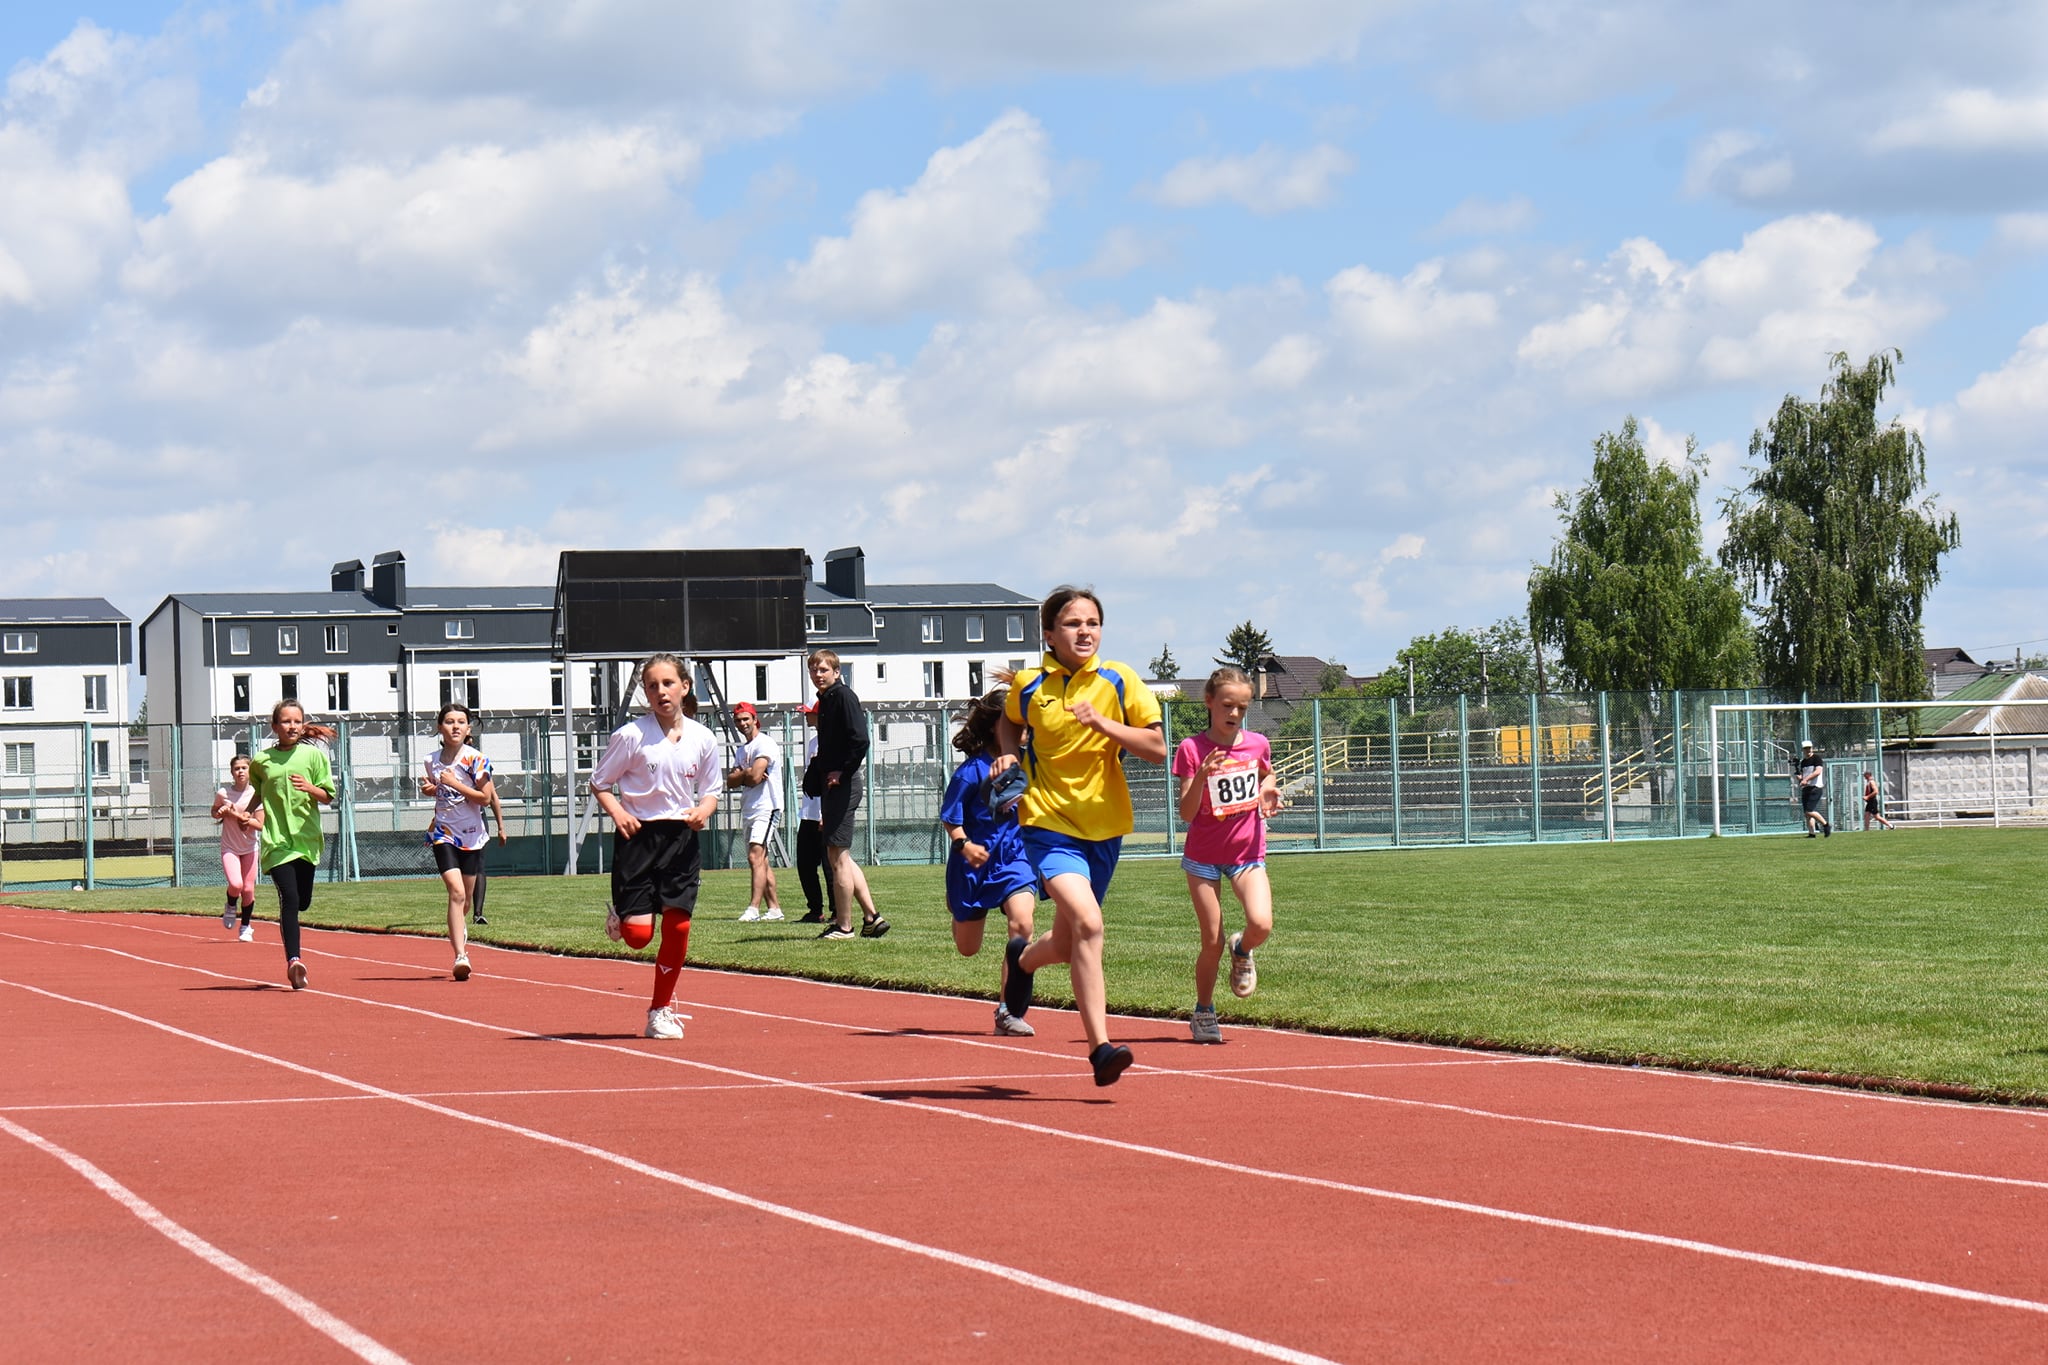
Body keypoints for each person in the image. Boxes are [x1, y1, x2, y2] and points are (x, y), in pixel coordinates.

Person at [994, 585, 1165, 1087]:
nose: (1085, 631)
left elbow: (1156, 747)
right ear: (1049, 634)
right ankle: (1100, 1049)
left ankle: (1022, 961)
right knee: (1089, 924)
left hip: (1104, 828)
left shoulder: (1119, 679)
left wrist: (1105, 723)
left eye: (1092, 622)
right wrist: (1007, 754)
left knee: (1070, 943)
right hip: (1047, 823)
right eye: (1072, 623)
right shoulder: (1030, 685)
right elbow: (1008, 723)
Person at [589, 653, 721, 1040]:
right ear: (645, 693)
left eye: (668, 683)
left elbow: (711, 790)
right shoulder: (631, 736)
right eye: (652, 686)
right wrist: (617, 812)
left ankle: (659, 1010)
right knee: (640, 937)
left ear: (685, 687)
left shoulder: (703, 737)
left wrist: (704, 810)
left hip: (680, 838)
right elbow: (599, 782)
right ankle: (621, 917)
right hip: (638, 838)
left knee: (678, 925)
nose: (661, 691)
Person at [1173, 667, 1282, 1044]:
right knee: (1211, 941)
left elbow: (1266, 774)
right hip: (1203, 857)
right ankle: (1203, 1010)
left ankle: (1244, 947)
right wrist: (1201, 776)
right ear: (1209, 702)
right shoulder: (1191, 748)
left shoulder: (1257, 744)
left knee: (1261, 924)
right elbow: (1186, 814)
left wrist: (1269, 789)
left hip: (1247, 852)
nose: (1233, 713)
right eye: (1227, 705)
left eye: (1242, 707)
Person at [940, 690, 1040, 1037]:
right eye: (1015, 719)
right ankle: (958, 908)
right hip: (974, 864)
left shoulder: (1030, 762)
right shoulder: (971, 771)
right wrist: (964, 845)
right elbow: (951, 819)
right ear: (998, 724)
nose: (1024, 726)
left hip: (1016, 859)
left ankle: (1008, 1009)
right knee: (968, 949)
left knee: (1022, 924)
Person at [249, 700, 335, 990]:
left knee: (303, 901)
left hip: (307, 841)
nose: (292, 726)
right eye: (285, 721)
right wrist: (247, 813)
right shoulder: (262, 761)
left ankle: (294, 954)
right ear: (274, 727)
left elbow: (328, 796)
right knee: (290, 898)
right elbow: (259, 793)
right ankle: (294, 961)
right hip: (278, 842)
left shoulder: (313, 756)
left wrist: (310, 788)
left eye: (297, 721)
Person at [805, 650, 886, 940]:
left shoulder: (842, 697)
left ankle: (844, 926)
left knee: (836, 855)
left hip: (844, 784)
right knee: (840, 854)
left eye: (824, 669)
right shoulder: (827, 700)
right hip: (834, 785)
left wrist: (842, 771)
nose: (818, 673)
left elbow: (860, 740)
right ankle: (871, 917)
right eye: (814, 669)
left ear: (837, 672)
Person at [421, 702, 494, 981]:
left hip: (472, 835)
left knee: (463, 901)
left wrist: (454, 784)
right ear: (440, 727)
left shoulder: (476, 759)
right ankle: (461, 956)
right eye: (449, 721)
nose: (455, 726)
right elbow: (436, 790)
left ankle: (459, 924)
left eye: (461, 722)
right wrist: (431, 789)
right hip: (444, 833)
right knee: (456, 892)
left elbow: (485, 798)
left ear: (468, 728)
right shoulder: (431, 760)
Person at [725, 702, 785, 922]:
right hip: (749, 807)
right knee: (762, 860)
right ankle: (775, 909)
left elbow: (754, 777)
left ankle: (753, 908)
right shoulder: (742, 750)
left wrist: (746, 773)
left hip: (766, 806)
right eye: (738, 720)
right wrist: (746, 773)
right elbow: (730, 781)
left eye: (745, 719)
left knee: (754, 856)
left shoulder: (765, 743)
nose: (742, 724)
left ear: (754, 718)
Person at [212, 755, 264, 942]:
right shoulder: (223, 793)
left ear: (250, 771)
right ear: (232, 772)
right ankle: (231, 905)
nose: (240, 771)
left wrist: (234, 814)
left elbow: (260, 824)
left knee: (248, 889)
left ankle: (246, 926)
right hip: (230, 848)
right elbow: (214, 811)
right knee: (236, 885)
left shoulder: (256, 794)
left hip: (250, 847)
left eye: (244, 768)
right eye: (237, 768)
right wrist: (220, 812)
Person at [793, 703, 832, 924]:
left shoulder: (830, 743)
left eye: (810, 713)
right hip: (808, 811)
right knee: (805, 864)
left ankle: (837, 911)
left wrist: (826, 812)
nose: (807, 717)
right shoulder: (813, 743)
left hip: (823, 812)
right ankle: (815, 909)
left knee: (829, 865)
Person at [468, 777, 508, 925]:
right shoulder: (450, 767)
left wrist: (501, 828)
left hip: (477, 822)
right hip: (455, 824)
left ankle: (478, 914)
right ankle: (460, 907)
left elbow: (492, 798)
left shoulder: (479, 767)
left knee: (479, 865)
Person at [1795, 740, 1830, 838]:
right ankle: (1811, 833)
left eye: (1809, 748)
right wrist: (1799, 777)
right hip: (1806, 788)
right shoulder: (1803, 762)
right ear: (1803, 750)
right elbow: (1802, 776)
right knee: (1807, 813)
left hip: (1815, 787)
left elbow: (1817, 771)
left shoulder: (1816, 758)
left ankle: (1826, 825)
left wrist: (1806, 779)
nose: (1808, 750)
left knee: (1809, 810)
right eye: (1806, 748)